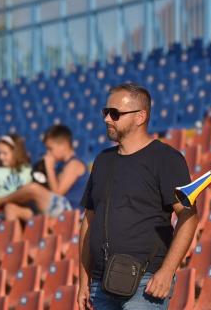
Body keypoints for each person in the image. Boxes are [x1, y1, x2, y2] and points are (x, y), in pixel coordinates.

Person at [78, 83, 198, 310]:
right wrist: (84, 280)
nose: (107, 119)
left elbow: (189, 216)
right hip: (101, 283)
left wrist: (167, 271)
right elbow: (88, 221)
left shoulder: (166, 159)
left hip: (146, 282)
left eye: (115, 114)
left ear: (140, 117)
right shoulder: (102, 161)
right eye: (106, 112)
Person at [0, 125, 89, 220]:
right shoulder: (61, 166)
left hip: (72, 213)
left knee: (33, 188)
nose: (48, 153)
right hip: (56, 209)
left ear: (63, 145)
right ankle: (16, 246)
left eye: (50, 149)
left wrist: (49, 167)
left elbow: (57, 194)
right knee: (11, 208)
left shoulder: (74, 164)